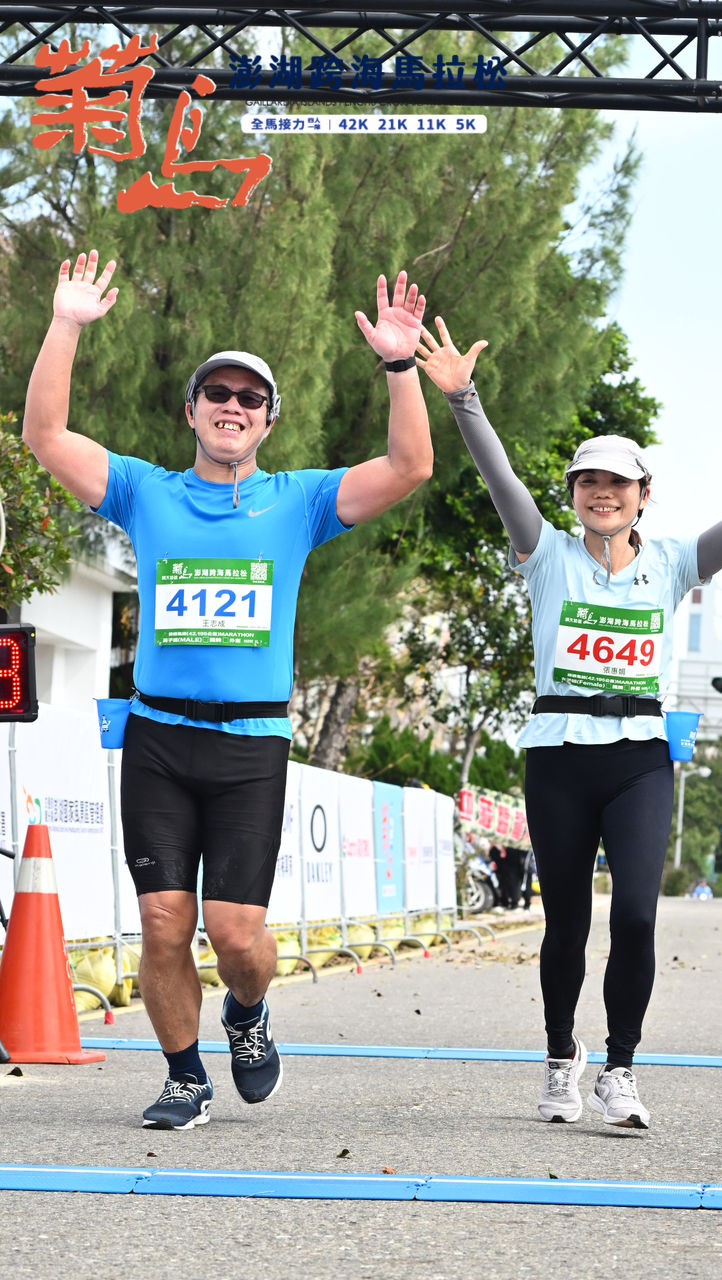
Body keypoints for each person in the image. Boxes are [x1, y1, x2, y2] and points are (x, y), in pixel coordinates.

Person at [23, 250, 433, 1131]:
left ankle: (247, 1014)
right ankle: (183, 1077)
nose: (232, 406)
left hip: (250, 744)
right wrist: (64, 325)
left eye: (250, 398)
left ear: (268, 421)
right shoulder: (144, 491)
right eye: (218, 393)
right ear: (192, 411)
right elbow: (46, 437)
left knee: (236, 933)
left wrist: (400, 365)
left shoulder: (299, 500)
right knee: (164, 921)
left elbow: (409, 467)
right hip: (158, 737)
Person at [416, 313, 722, 1130]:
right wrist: (462, 399)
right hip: (557, 755)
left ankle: (619, 1069)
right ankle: (560, 1059)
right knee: (566, 922)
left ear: (644, 495)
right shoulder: (543, 552)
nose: (602, 492)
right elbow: (499, 478)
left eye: (618, 482)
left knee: (637, 916)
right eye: (587, 481)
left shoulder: (673, 562)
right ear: (573, 494)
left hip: (639, 757)